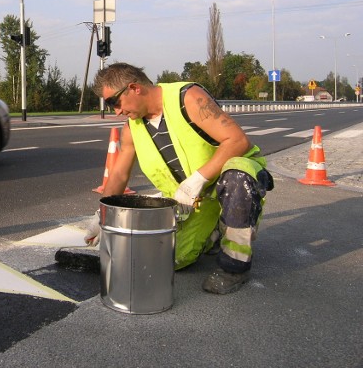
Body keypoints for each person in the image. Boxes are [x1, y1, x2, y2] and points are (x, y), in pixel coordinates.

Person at [85, 62, 273, 294]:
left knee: (238, 176)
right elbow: (120, 173)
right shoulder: (132, 128)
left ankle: (235, 266)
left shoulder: (188, 98)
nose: (116, 111)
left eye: (115, 102)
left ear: (134, 88)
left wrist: (196, 181)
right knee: (171, 260)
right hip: (194, 201)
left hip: (228, 180)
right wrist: (104, 216)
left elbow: (237, 141)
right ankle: (214, 232)